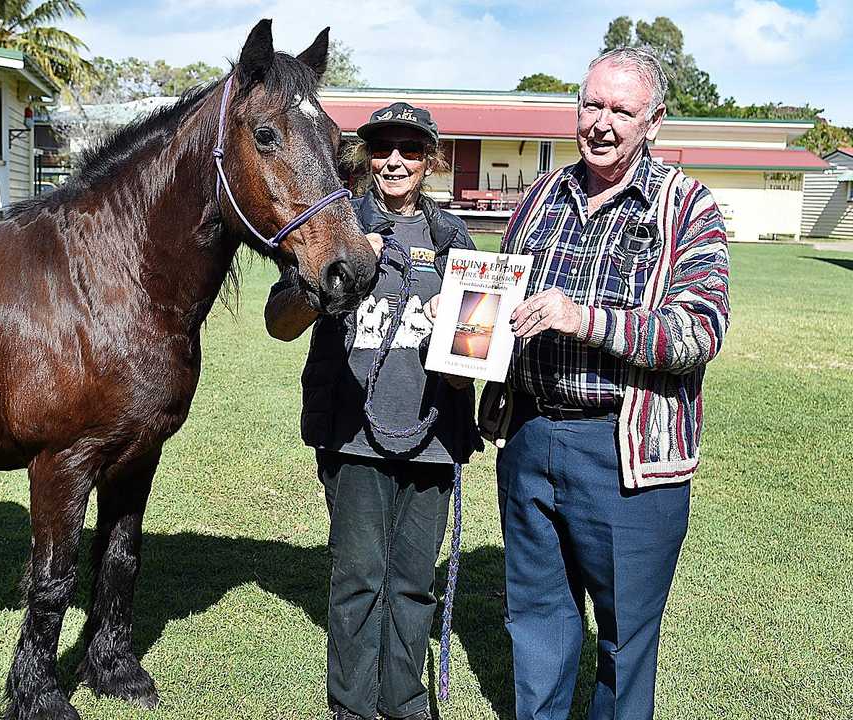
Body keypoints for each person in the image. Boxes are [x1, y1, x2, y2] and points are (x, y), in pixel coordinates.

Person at [476, 48, 731, 719]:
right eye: (593, 104)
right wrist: (463, 334)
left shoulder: (688, 207)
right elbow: (500, 303)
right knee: (536, 625)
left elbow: (698, 330)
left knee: (624, 645)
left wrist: (584, 319)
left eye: (622, 110)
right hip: (530, 441)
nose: (603, 123)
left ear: (654, 122)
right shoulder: (539, 196)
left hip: (624, 459)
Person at [265, 102, 481, 720]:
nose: (394, 160)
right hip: (354, 433)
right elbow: (280, 320)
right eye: (383, 147)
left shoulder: (453, 240)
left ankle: (406, 702)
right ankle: (353, 708)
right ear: (366, 154)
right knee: (359, 580)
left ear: (429, 160)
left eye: (410, 150)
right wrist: (337, 281)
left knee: (414, 583)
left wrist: (462, 332)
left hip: (434, 435)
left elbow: (477, 348)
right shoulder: (336, 226)